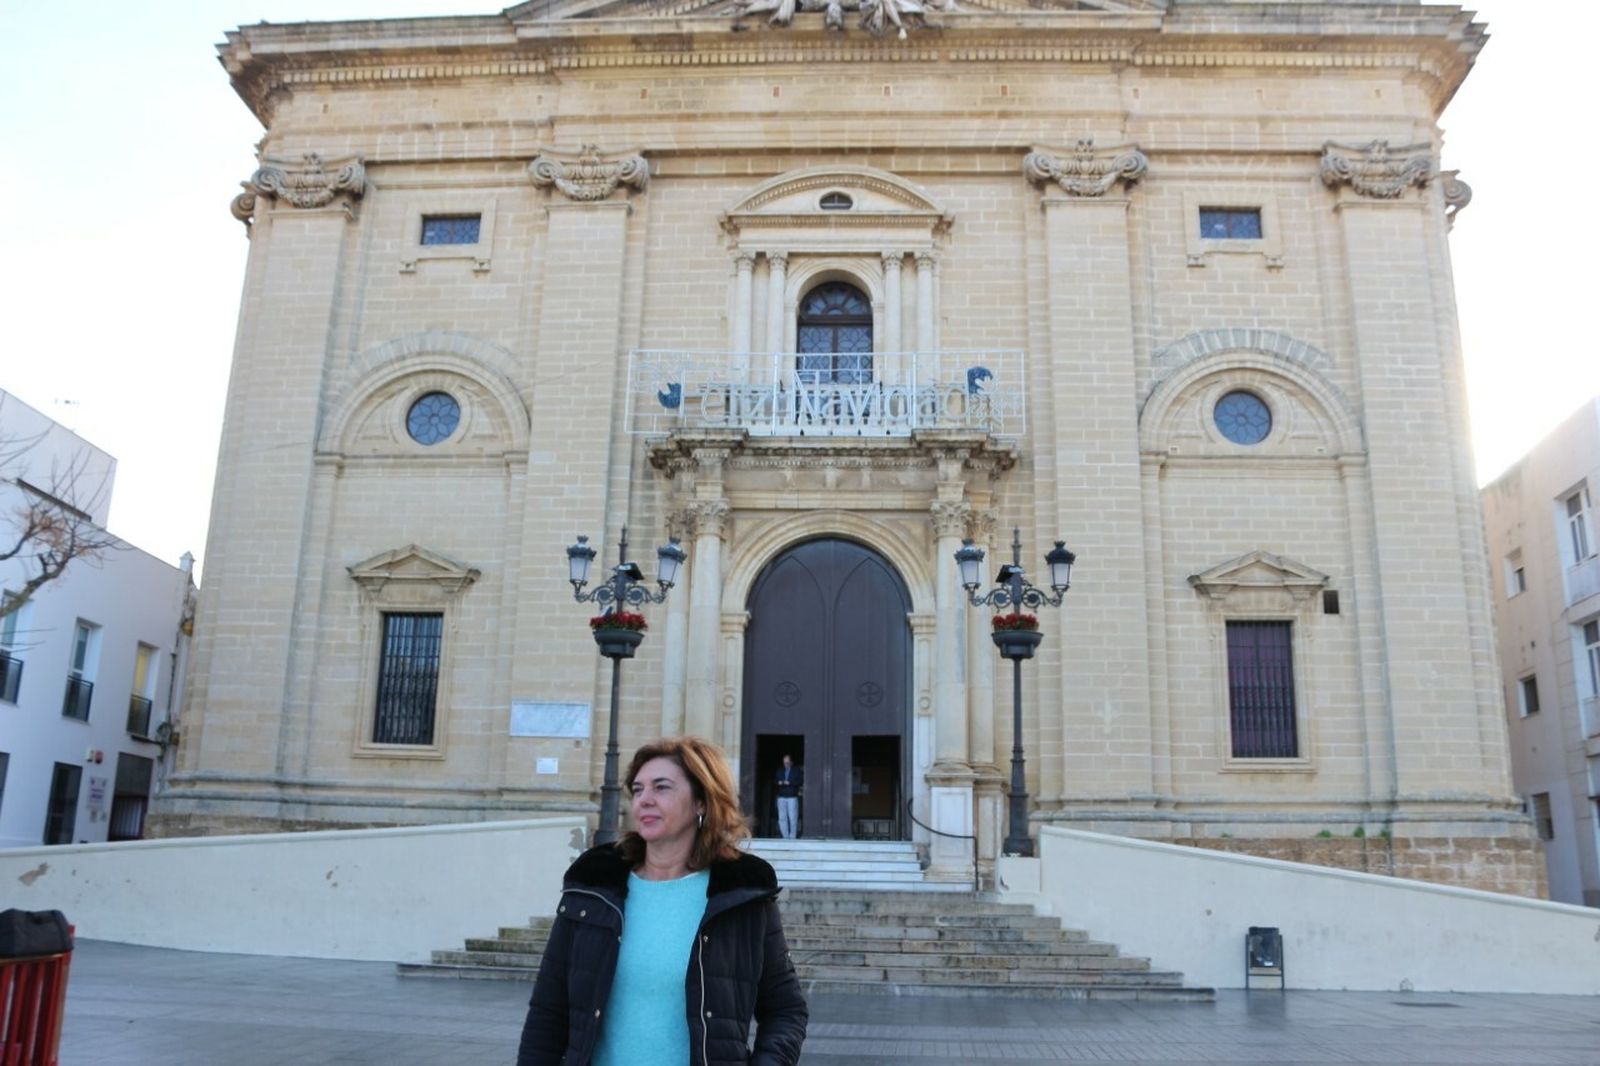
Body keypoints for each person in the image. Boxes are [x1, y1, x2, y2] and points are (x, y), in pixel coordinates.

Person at [517, 736, 808, 1066]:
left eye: (661, 787)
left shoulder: (741, 897)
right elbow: (547, 1013)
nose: (644, 800)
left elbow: (786, 1010)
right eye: (638, 790)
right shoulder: (593, 888)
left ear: (701, 802)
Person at [773, 754, 802, 840]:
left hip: (792, 797)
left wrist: (790, 783)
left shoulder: (796, 770)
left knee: (792, 817)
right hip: (781, 797)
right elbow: (775, 780)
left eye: (787, 762)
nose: (786, 764)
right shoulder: (780, 770)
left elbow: (800, 781)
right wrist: (780, 782)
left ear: (791, 762)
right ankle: (785, 837)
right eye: (784, 762)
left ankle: (792, 837)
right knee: (782, 818)